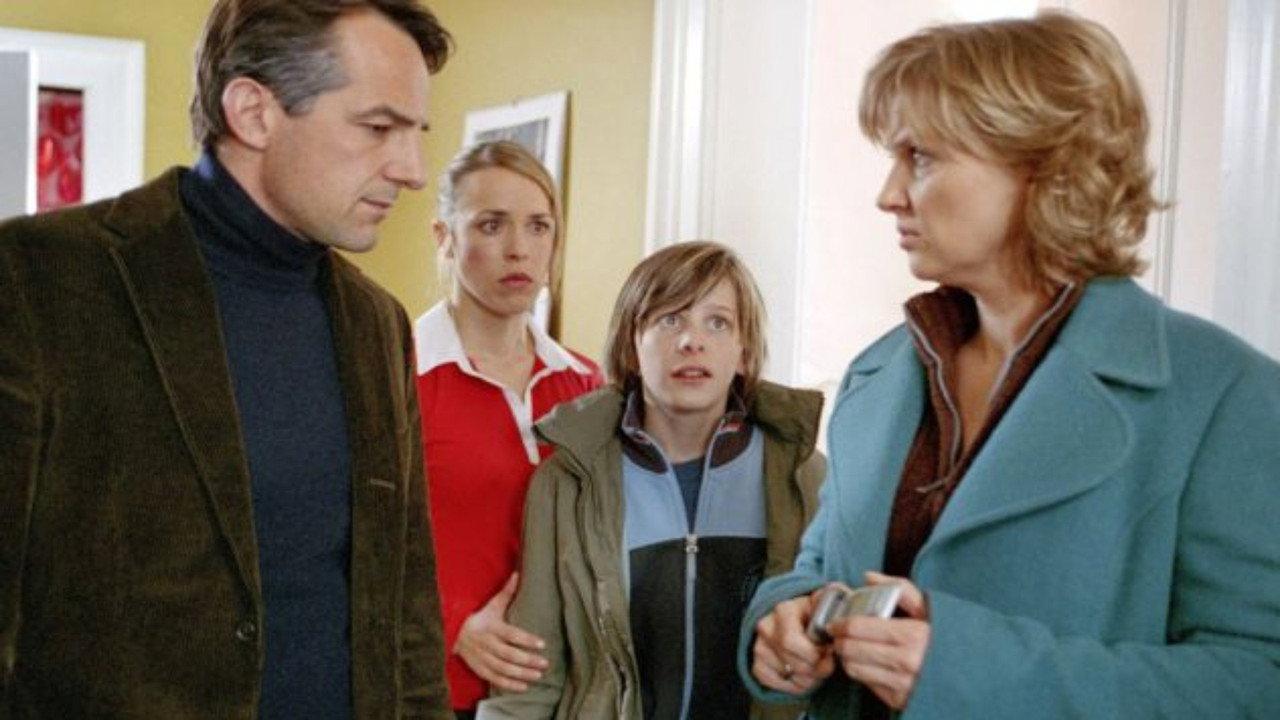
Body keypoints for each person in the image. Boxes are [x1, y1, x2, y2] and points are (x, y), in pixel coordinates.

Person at [740, 10, 1280, 719]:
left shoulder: (1223, 393)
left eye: (920, 158)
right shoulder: (879, 373)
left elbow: (1258, 680)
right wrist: (785, 616)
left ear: (1043, 168)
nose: (889, 194)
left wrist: (972, 672)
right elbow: (821, 564)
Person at [0, 1, 454, 717]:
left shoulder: (378, 324)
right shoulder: (36, 280)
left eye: (415, 134)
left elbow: (406, 610)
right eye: (377, 128)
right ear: (253, 112)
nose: (414, 170)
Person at [477, 241, 826, 720]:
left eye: (717, 322)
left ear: (743, 352)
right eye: (670, 320)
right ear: (631, 348)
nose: (692, 341)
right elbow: (529, 682)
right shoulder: (566, 483)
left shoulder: (805, 477)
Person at [414, 140, 603, 719]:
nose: (519, 249)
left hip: (559, 696)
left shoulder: (587, 384)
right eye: (491, 225)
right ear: (445, 237)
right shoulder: (395, 375)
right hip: (434, 692)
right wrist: (452, 625)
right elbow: (345, 541)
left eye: (538, 226)